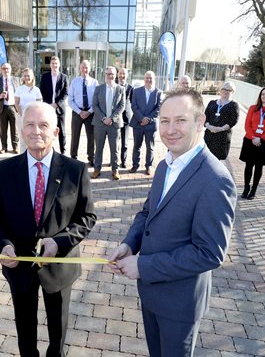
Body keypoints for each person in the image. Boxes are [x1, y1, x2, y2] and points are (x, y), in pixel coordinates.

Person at [109, 89, 236, 357]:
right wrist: (129, 244)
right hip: (152, 294)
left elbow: (209, 253)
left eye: (180, 120)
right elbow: (147, 213)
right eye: (164, 121)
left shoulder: (216, 179)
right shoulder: (166, 164)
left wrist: (143, 265)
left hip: (179, 304)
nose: (170, 129)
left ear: (200, 122)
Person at [0, 102, 96, 357]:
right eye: (30, 125)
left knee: (58, 331)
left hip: (59, 266)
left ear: (56, 132)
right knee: (24, 328)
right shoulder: (4, 171)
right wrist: (3, 245)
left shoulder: (75, 171)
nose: (36, 131)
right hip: (19, 266)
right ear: (22, 131)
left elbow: (87, 217)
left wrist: (61, 242)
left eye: (44, 125)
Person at [238, 86, 265, 200]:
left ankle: (253, 190)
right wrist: (254, 137)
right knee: (248, 166)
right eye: (263, 94)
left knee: (258, 167)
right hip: (250, 140)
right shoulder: (253, 108)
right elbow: (247, 125)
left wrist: (260, 139)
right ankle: (246, 188)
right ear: (260, 96)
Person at [91, 66, 125, 180]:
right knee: (99, 147)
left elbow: (122, 106)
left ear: (115, 75)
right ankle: (97, 169)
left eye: (112, 74)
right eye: (108, 74)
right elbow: (95, 105)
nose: (110, 76)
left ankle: (115, 170)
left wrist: (112, 118)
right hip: (100, 124)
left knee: (115, 148)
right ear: (104, 75)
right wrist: (104, 118)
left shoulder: (121, 89)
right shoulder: (98, 88)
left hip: (114, 124)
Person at [129, 70, 161, 175]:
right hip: (138, 124)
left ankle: (148, 166)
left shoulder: (158, 92)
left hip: (150, 125)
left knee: (150, 147)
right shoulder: (136, 91)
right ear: (144, 79)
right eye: (147, 77)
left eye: (151, 78)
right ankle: (135, 165)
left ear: (154, 79)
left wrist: (148, 119)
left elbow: (158, 108)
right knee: (136, 146)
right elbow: (134, 106)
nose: (149, 80)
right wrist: (141, 118)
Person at [68, 60, 99, 166]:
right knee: (75, 135)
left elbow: (97, 100)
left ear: (89, 69)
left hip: (91, 113)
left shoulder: (95, 82)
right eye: (83, 67)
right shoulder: (74, 82)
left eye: (86, 67)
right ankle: (73, 157)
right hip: (77, 113)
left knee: (91, 136)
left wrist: (89, 111)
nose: (84, 69)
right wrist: (79, 111)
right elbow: (70, 100)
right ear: (79, 68)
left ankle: (91, 158)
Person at [40, 55, 69, 154]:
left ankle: (63, 152)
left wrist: (56, 104)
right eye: (52, 63)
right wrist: (49, 105)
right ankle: (47, 151)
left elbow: (65, 93)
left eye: (56, 63)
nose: (54, 65)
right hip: (48, 108)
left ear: (59, 64)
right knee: (47, 130)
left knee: (62, 131)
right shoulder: (45, 77)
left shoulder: (64, 77)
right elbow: (42, 91)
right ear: (50, 65)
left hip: (60, 108)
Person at [203, 81, 239, 160]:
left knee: (216, 160)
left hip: (222, 136)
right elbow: (205, 116)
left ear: (232, 92)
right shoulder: (212, 103)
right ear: (220, 90)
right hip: (209, 134)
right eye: (224, 89)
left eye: (229, 90)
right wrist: (209, 127)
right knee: (205, 157)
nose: (225, 91)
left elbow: (233, 120)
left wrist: (220, 128)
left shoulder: (234, 105)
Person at [0, 62, 20, 154]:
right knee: (3, 129)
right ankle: (4, 147)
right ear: (1, 70)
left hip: (13, 107)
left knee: (14, 129)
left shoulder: (16, 80)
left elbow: (20, 93)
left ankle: (15, 147)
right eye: (4, 68)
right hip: (2, 108)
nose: (6, 70)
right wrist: (0, 96)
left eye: (7, 68)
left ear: (10, 70)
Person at [15, 68, 43, 152]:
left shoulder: (36, 90)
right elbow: (16, 103)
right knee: (23, 138)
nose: (27, 78)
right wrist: (23, 115)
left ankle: (33, 156)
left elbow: (39, 104)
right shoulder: (20, 89)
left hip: (34, 118)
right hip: (21, 116)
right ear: (23, 77)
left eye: (28, 76)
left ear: (32, 77)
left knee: (33, 138)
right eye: (25, 76)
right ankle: (23, 157)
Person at [117, 67, 133, 168]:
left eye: (124, 74)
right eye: (120, 73)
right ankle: (114, 160)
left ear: (127, 76)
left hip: (126, 119)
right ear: (118, 75)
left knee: (125, 142)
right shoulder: (114, 86)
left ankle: (123, 160)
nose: (122, 76)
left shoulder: (131, 88)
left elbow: (133, 103)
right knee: (114, 142)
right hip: (115, 119)